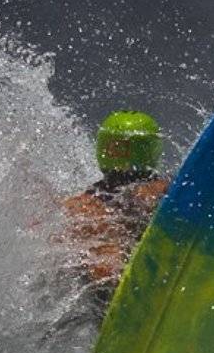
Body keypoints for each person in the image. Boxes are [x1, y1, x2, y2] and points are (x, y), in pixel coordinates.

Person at [61, 110, 168, 311]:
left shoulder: (79, 204)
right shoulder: (161, 191)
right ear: (153, 149)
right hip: (140, 292)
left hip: (95, 304)